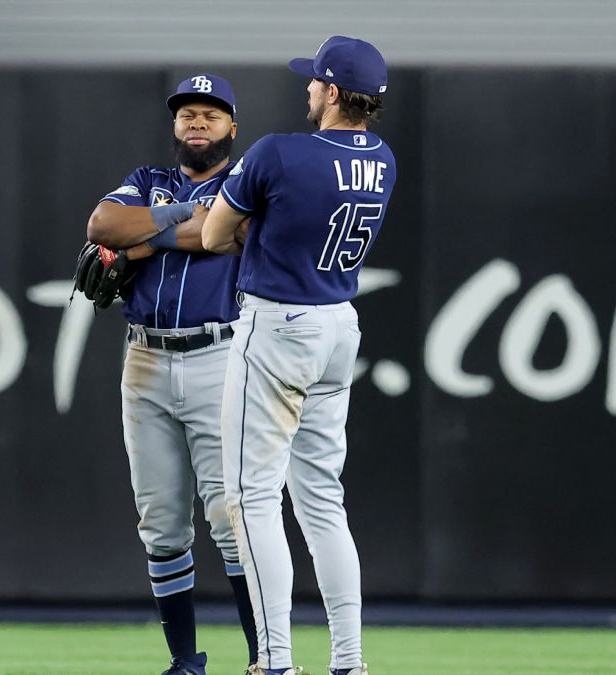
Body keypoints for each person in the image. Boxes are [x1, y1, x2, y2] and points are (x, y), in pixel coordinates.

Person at [201, 37, 397, 675]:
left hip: (278, 323)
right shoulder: (384, 158)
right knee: (321, 500)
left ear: (335, 92)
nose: (307, 89)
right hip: (338, 325)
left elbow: (211, 234)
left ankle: (276, 662)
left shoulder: (278, 152)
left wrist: (249, 231)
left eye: (316, 82)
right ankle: (349, 660)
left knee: (250, 498)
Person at [84, 73, 260, 675]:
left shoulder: (246, 182)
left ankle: (267, 660)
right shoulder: (147, 181)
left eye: (211, 114)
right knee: (160, 521)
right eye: (188, 113)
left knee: (232, 519)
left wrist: (148, 238)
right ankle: (186, 662)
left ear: (232, 126)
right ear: (174, 124)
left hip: (219, 354)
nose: (198, 122)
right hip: (146, 358)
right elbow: (103, 228)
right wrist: (187, 218)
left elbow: (232, 235)